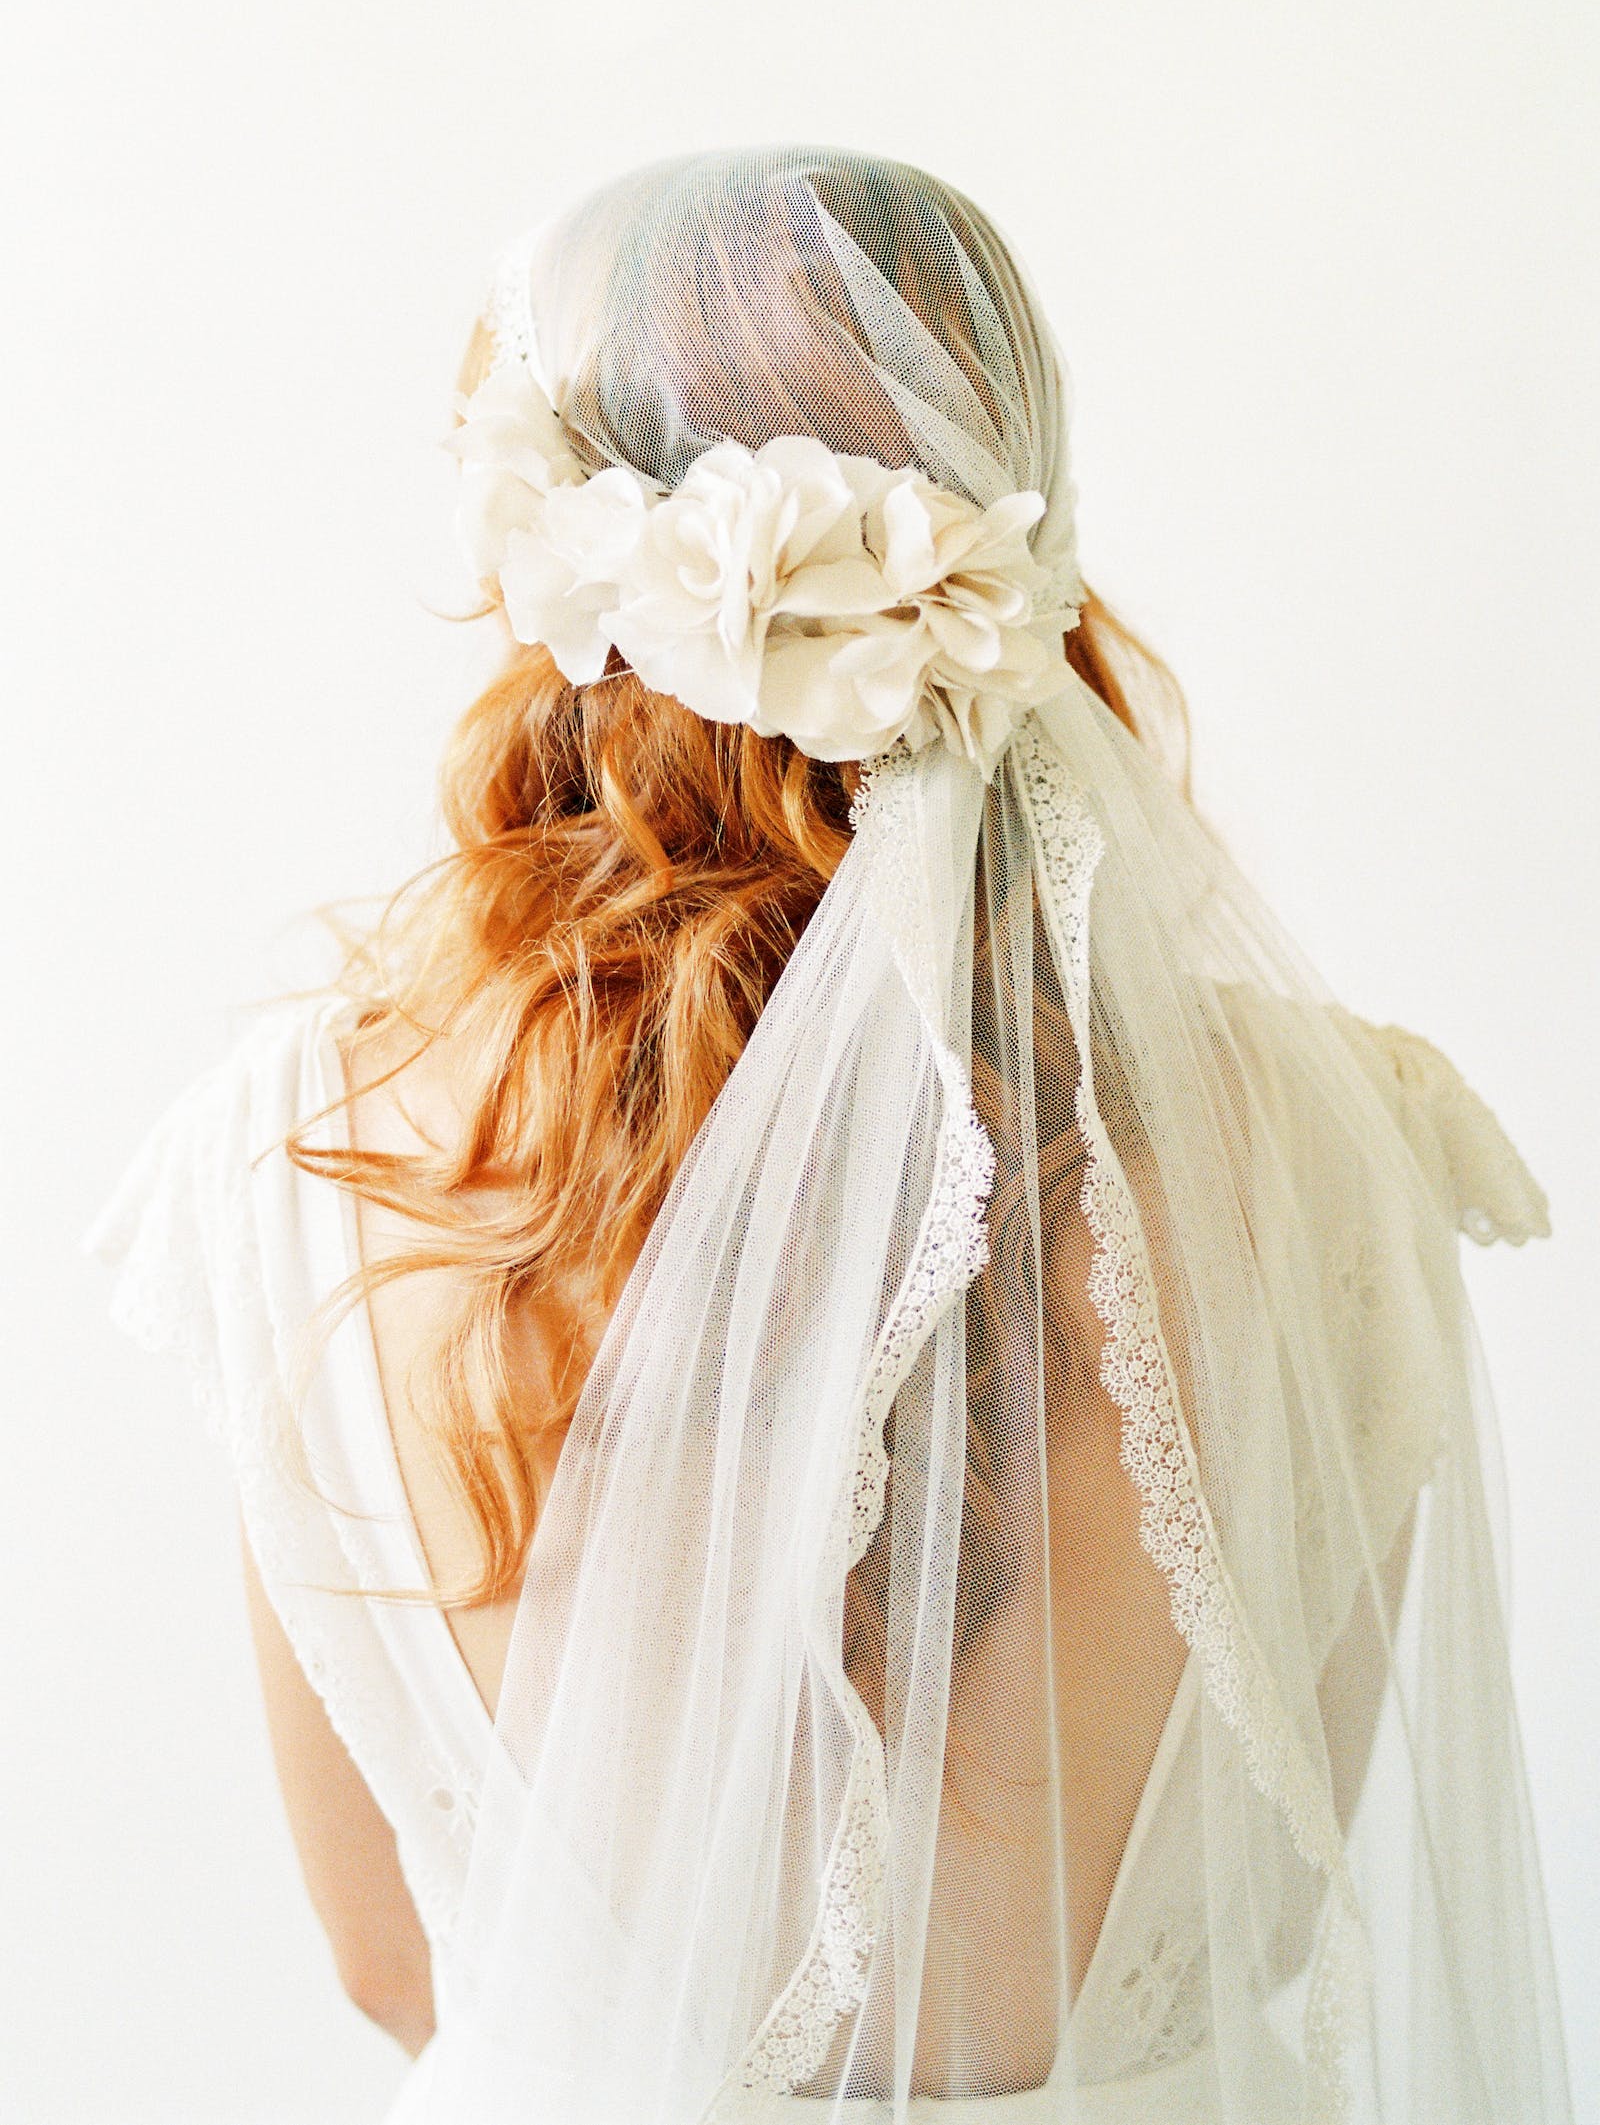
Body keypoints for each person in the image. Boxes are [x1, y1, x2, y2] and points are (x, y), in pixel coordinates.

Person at [91, 147, 1573, 2124]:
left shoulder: (299, 1154)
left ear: (544, 546)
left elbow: (393, 1967)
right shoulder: (1327, 1150)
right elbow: (1276, 1896)